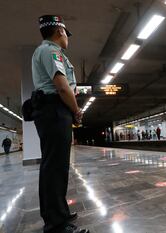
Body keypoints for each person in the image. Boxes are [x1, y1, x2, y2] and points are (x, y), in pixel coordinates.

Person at [31, 15, 89, 233]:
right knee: (55, 168)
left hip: (52, 111)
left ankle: (58, 214)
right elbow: (62, 87)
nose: (67, 38)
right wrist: (75, 111)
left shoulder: (45, 51)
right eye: (66, 34)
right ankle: (57, 225)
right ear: (60, 32)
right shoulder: (51, 51)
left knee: (54, 166)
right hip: (54, 111)